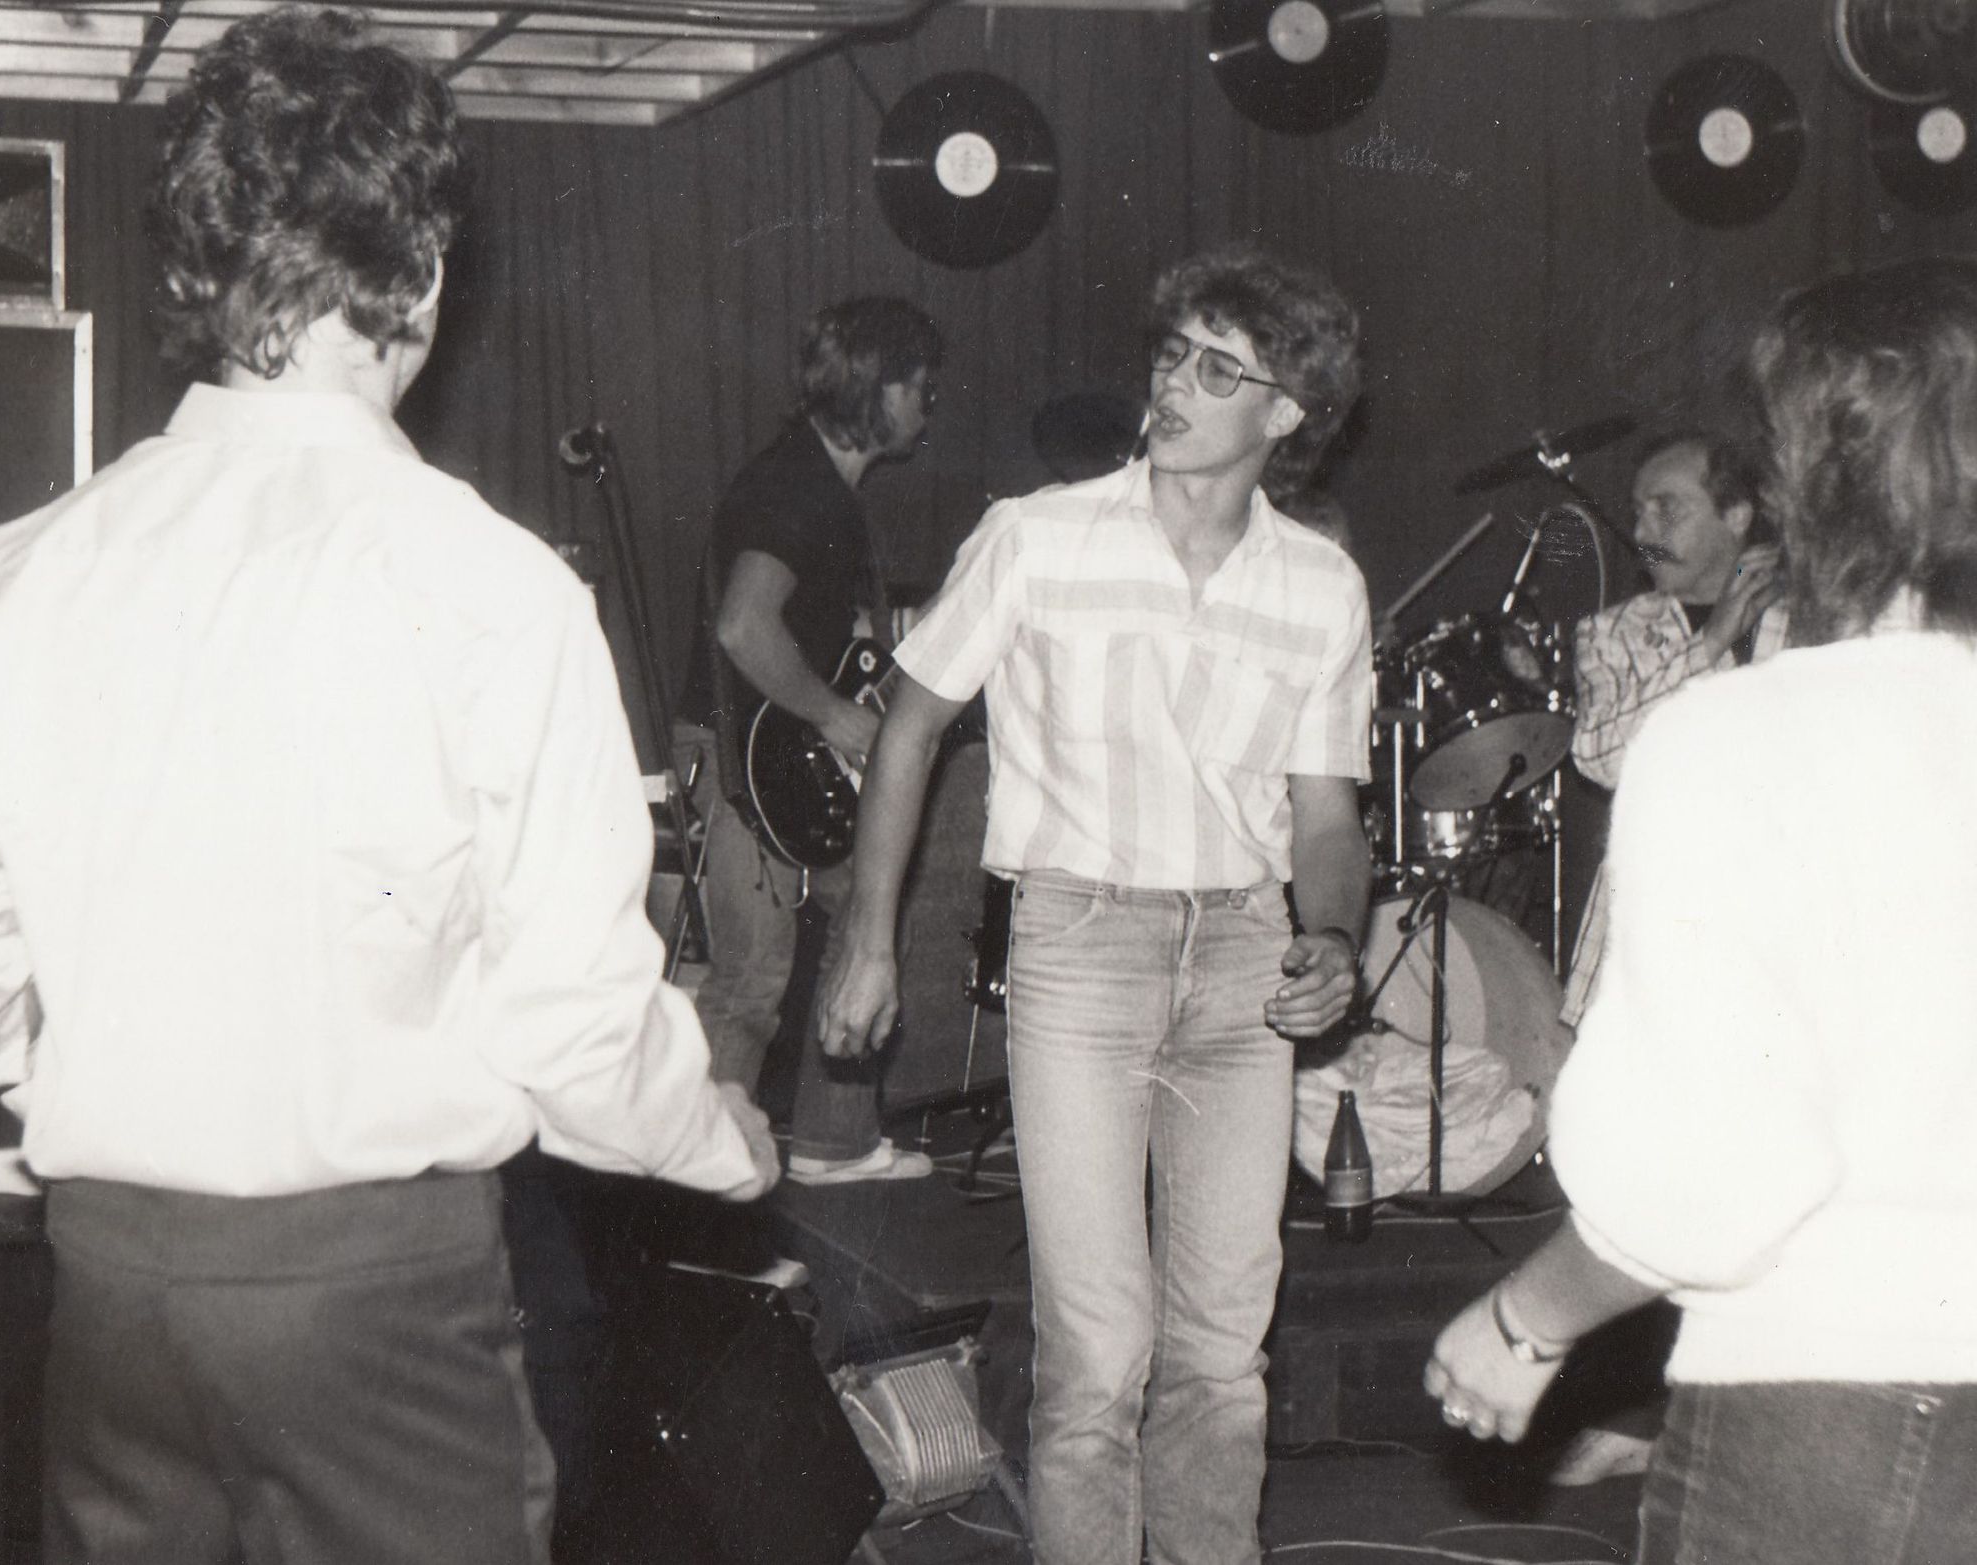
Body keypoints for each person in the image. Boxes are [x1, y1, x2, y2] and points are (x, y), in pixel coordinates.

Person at [0, 13, 776, 1564]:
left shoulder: (13, 572)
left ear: (194, 265)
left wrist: (136, 1080)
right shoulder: (493, 586)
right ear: (419, 274)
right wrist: (715, 1135)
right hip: (381, 1297)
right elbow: (569, 1028)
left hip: (111, 1284)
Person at [819, 243, 1373, 1565]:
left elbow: (1326, 816)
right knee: (1098, 1350)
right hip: (1080, 948)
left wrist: (1334, 939)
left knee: (1222, 1353)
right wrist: (868, 941)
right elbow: (908, 729)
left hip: (1245, 964)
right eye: (1172, 354)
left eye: (1219, 369)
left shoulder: (1320, 584)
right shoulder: (1037, 535)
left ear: (1288, 412)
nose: (1175, 383)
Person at [1423, 255, 1977, 1565]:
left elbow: (1724, 1167)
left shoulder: (1743, 733)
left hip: (1832, 1381)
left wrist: (1526, 1320)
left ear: (1793, 481)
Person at [677, 296, 942, 1185]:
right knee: (752, 977)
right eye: (920, 388)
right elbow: (743, 626)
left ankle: (834, 1141)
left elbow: (807, 629)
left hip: (771, 748)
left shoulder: (819, 483)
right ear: (881, 389)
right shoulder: (799, 487)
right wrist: (832, 714)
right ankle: (702, 1171)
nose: (927, 408)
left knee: (865, 906)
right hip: (740, 754)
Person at [1557, 429, 1784, 1030]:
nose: (1642, 532)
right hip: (1655, 941)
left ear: (1736, 515)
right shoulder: (1615, 632)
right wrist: (1709, 644)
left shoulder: (1812, 622)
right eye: (1638, 512)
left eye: (1667, 509)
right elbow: (1599, 755)